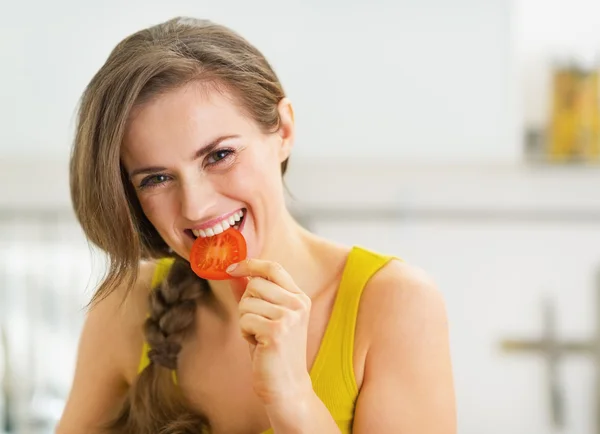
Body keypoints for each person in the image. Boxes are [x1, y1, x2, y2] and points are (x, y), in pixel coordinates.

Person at [57, 17, 456, 434]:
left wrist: (293, 397)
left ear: (283, 130)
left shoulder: (396, 303)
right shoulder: (126, 306)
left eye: (219, 155)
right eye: (156, 179)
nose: (195, 207)